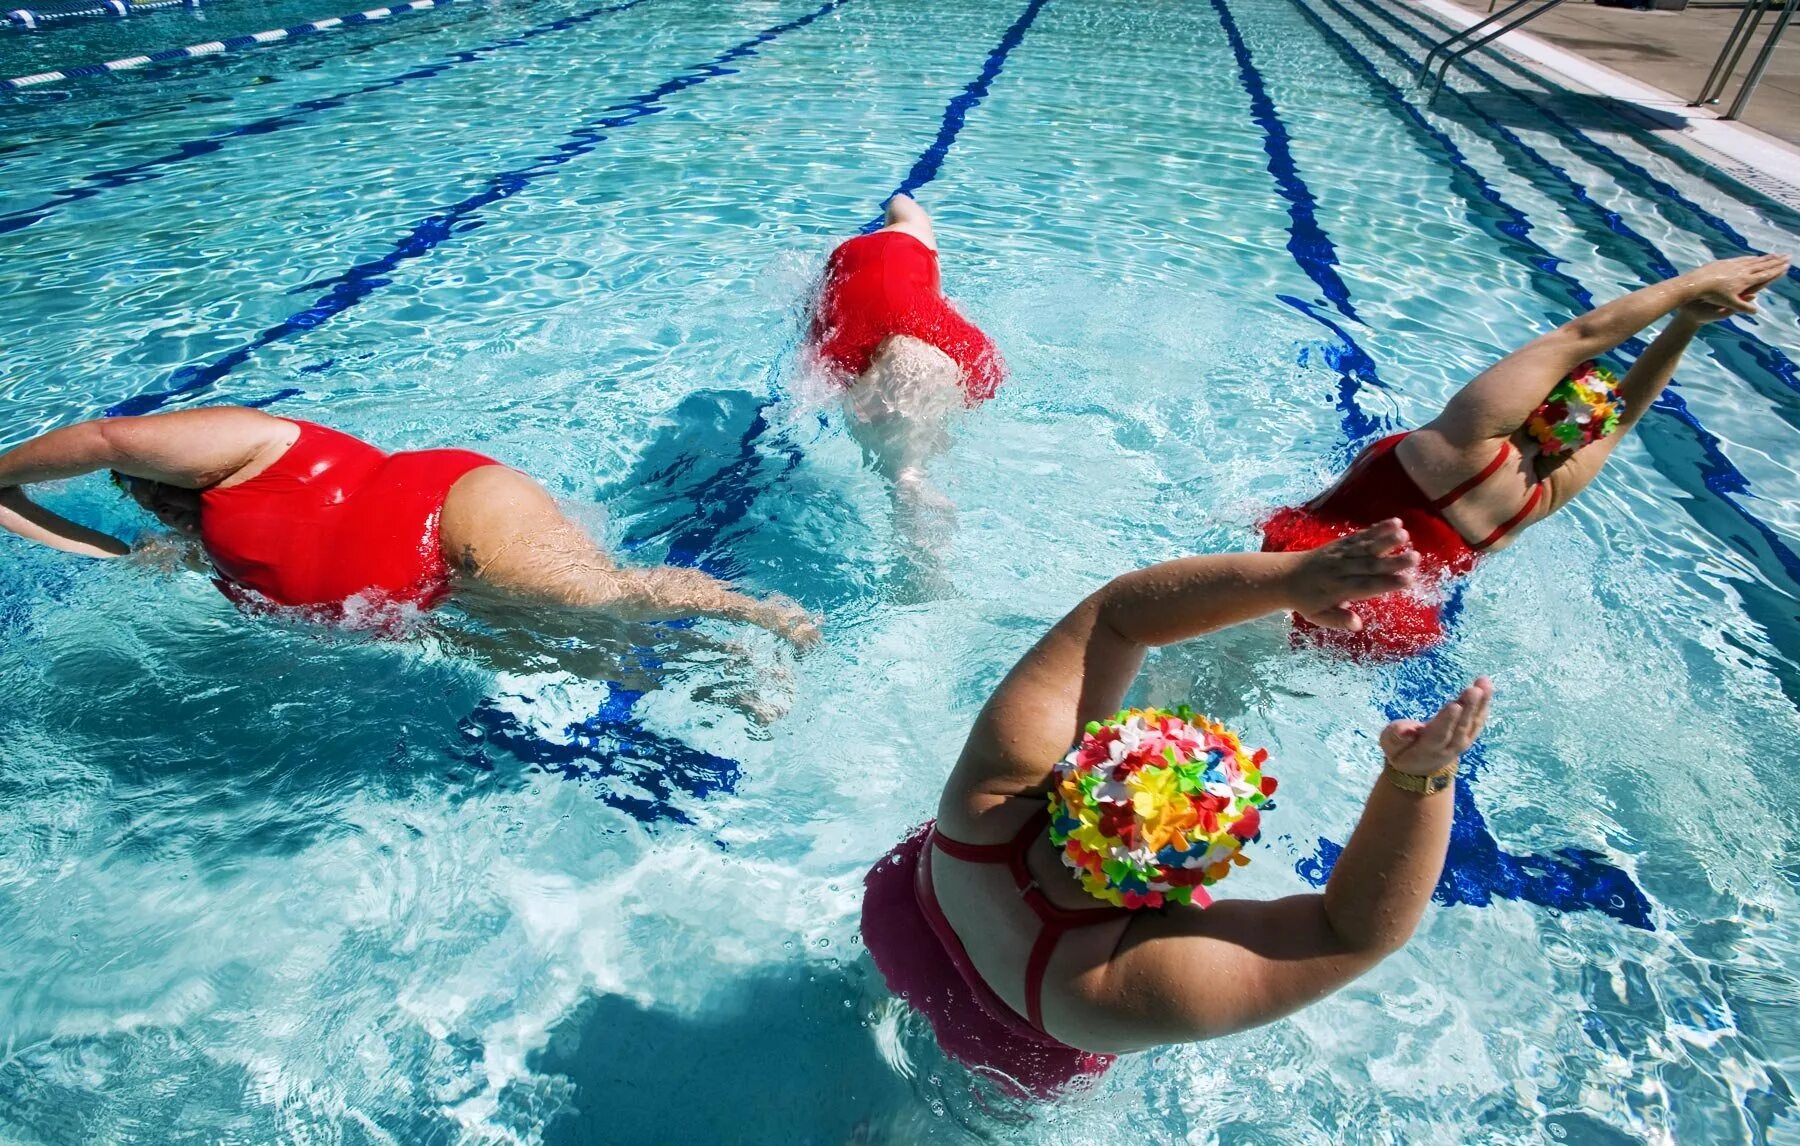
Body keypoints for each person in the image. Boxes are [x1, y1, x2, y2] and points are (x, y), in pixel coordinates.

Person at [861, 520, 1493, 1096]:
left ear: (1086, 761)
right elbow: (1354, 933)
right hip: (1008, 1047)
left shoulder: (994, 791)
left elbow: (1117, 615)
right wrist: (1421, 779)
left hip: (903, 916)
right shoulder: (1127, 987)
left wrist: (1292, 577)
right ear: (1193, 874)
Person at [1262, 253, 1791, 656]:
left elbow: (1579, 336)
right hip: (1375, 633)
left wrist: (1689, 285)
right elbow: (1625, 416)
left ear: (1534, 402)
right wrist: (1687, 325)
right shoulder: (1537, 499)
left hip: (1303, 572)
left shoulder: (1469, 440)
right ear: (1583, 437)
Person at [0, 407, 818, 645]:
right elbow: (104, 552)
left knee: (602, 596)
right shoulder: (197, 545)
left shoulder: (244, 447)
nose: (143, 496)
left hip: (453, 514)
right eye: (131, 497)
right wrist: (98, 544)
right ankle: (727, 668)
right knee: (600, 657)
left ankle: (770, 614)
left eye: (143, 485)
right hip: (433, 595)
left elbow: (107, 438)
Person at [808, 194, 1005, 574]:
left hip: (849, 319)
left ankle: (902, 472)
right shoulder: (912, 229)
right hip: (905, 300)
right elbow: (900, 200)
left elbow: (813, 344)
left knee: (847, 382)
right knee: (950, 374)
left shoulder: (838, 268)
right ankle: (911, 474)